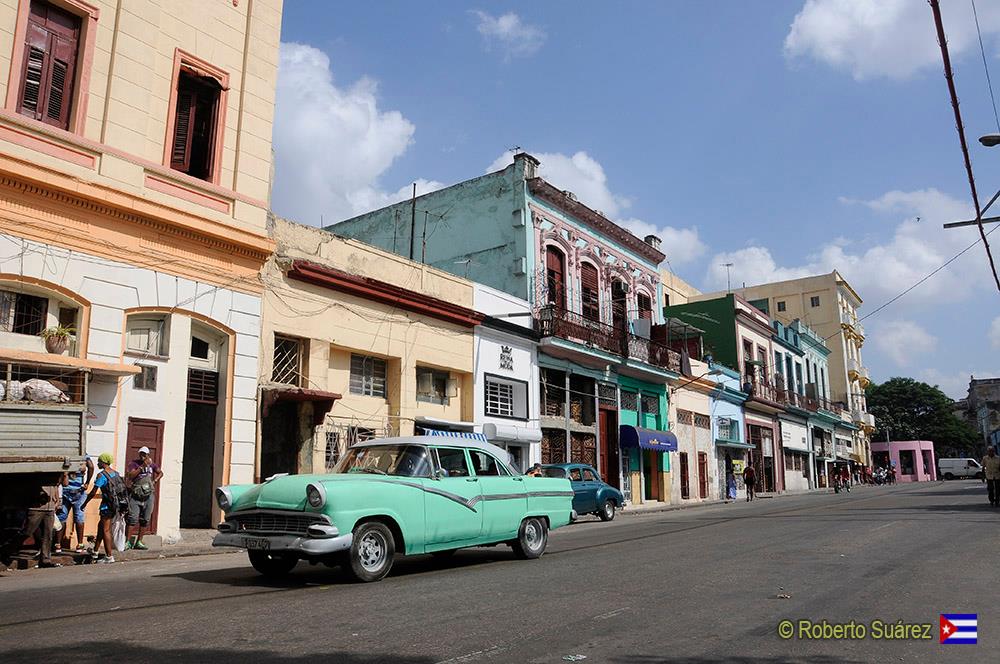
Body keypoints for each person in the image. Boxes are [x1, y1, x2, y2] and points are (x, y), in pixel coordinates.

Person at [82, 453, 123, 563]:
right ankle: (95, 551)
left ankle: (109, 556)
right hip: (115, 506)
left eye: (99, 461)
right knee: (101, 526)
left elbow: (93, 492)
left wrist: (84, 503)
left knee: (106, 530)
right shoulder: (116, 474)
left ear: (104, 462)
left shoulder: (102, 475)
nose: (98, 463)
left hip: (106, 506)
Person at [125, 446, 162, 550]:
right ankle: (127, 541)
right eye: (141, 453)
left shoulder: (152, 464)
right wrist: (141, 468)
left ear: (148, 455)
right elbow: (130, 476)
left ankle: (139, 541)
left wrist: (154, 481)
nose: (142, 456)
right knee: (132, 518)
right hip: (136, 495)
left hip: (148, 495)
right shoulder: (134, 464)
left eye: (144, 454)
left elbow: (160, 472)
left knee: (145, 519)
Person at [21, 478, 61, 568]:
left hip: (50, 507)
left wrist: (57, 500)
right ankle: (7, 551)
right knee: (27, 532)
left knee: (48, 535)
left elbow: (57, 485)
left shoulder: (54, 473)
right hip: (37, 507)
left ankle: (45, 560)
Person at [57, 456, 93, 552]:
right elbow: (91, 466)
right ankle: (80, 544)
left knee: (62, 517)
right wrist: (87, 482)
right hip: (79, 491)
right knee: (79, 517)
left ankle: (58, 544)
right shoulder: (83, 455)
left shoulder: (64, 454)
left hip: (65, 491)